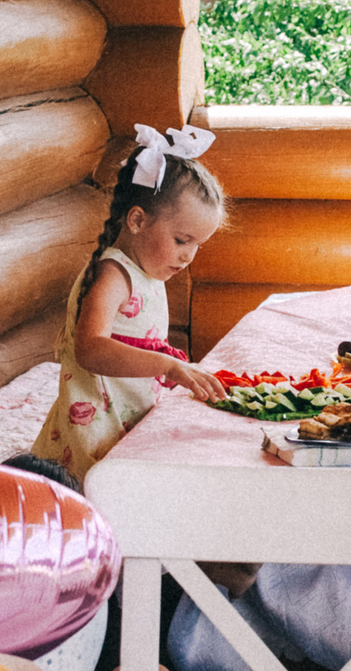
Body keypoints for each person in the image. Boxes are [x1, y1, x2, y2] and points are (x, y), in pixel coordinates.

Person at [31, 124, 228, 478]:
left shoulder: (147, 272)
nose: (189, 257)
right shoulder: (113, 275)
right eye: (182, 240)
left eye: (198, 245)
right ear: (137, 220)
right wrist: (166, 366)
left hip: (126, 412)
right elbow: (90, 350)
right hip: (94, 428)